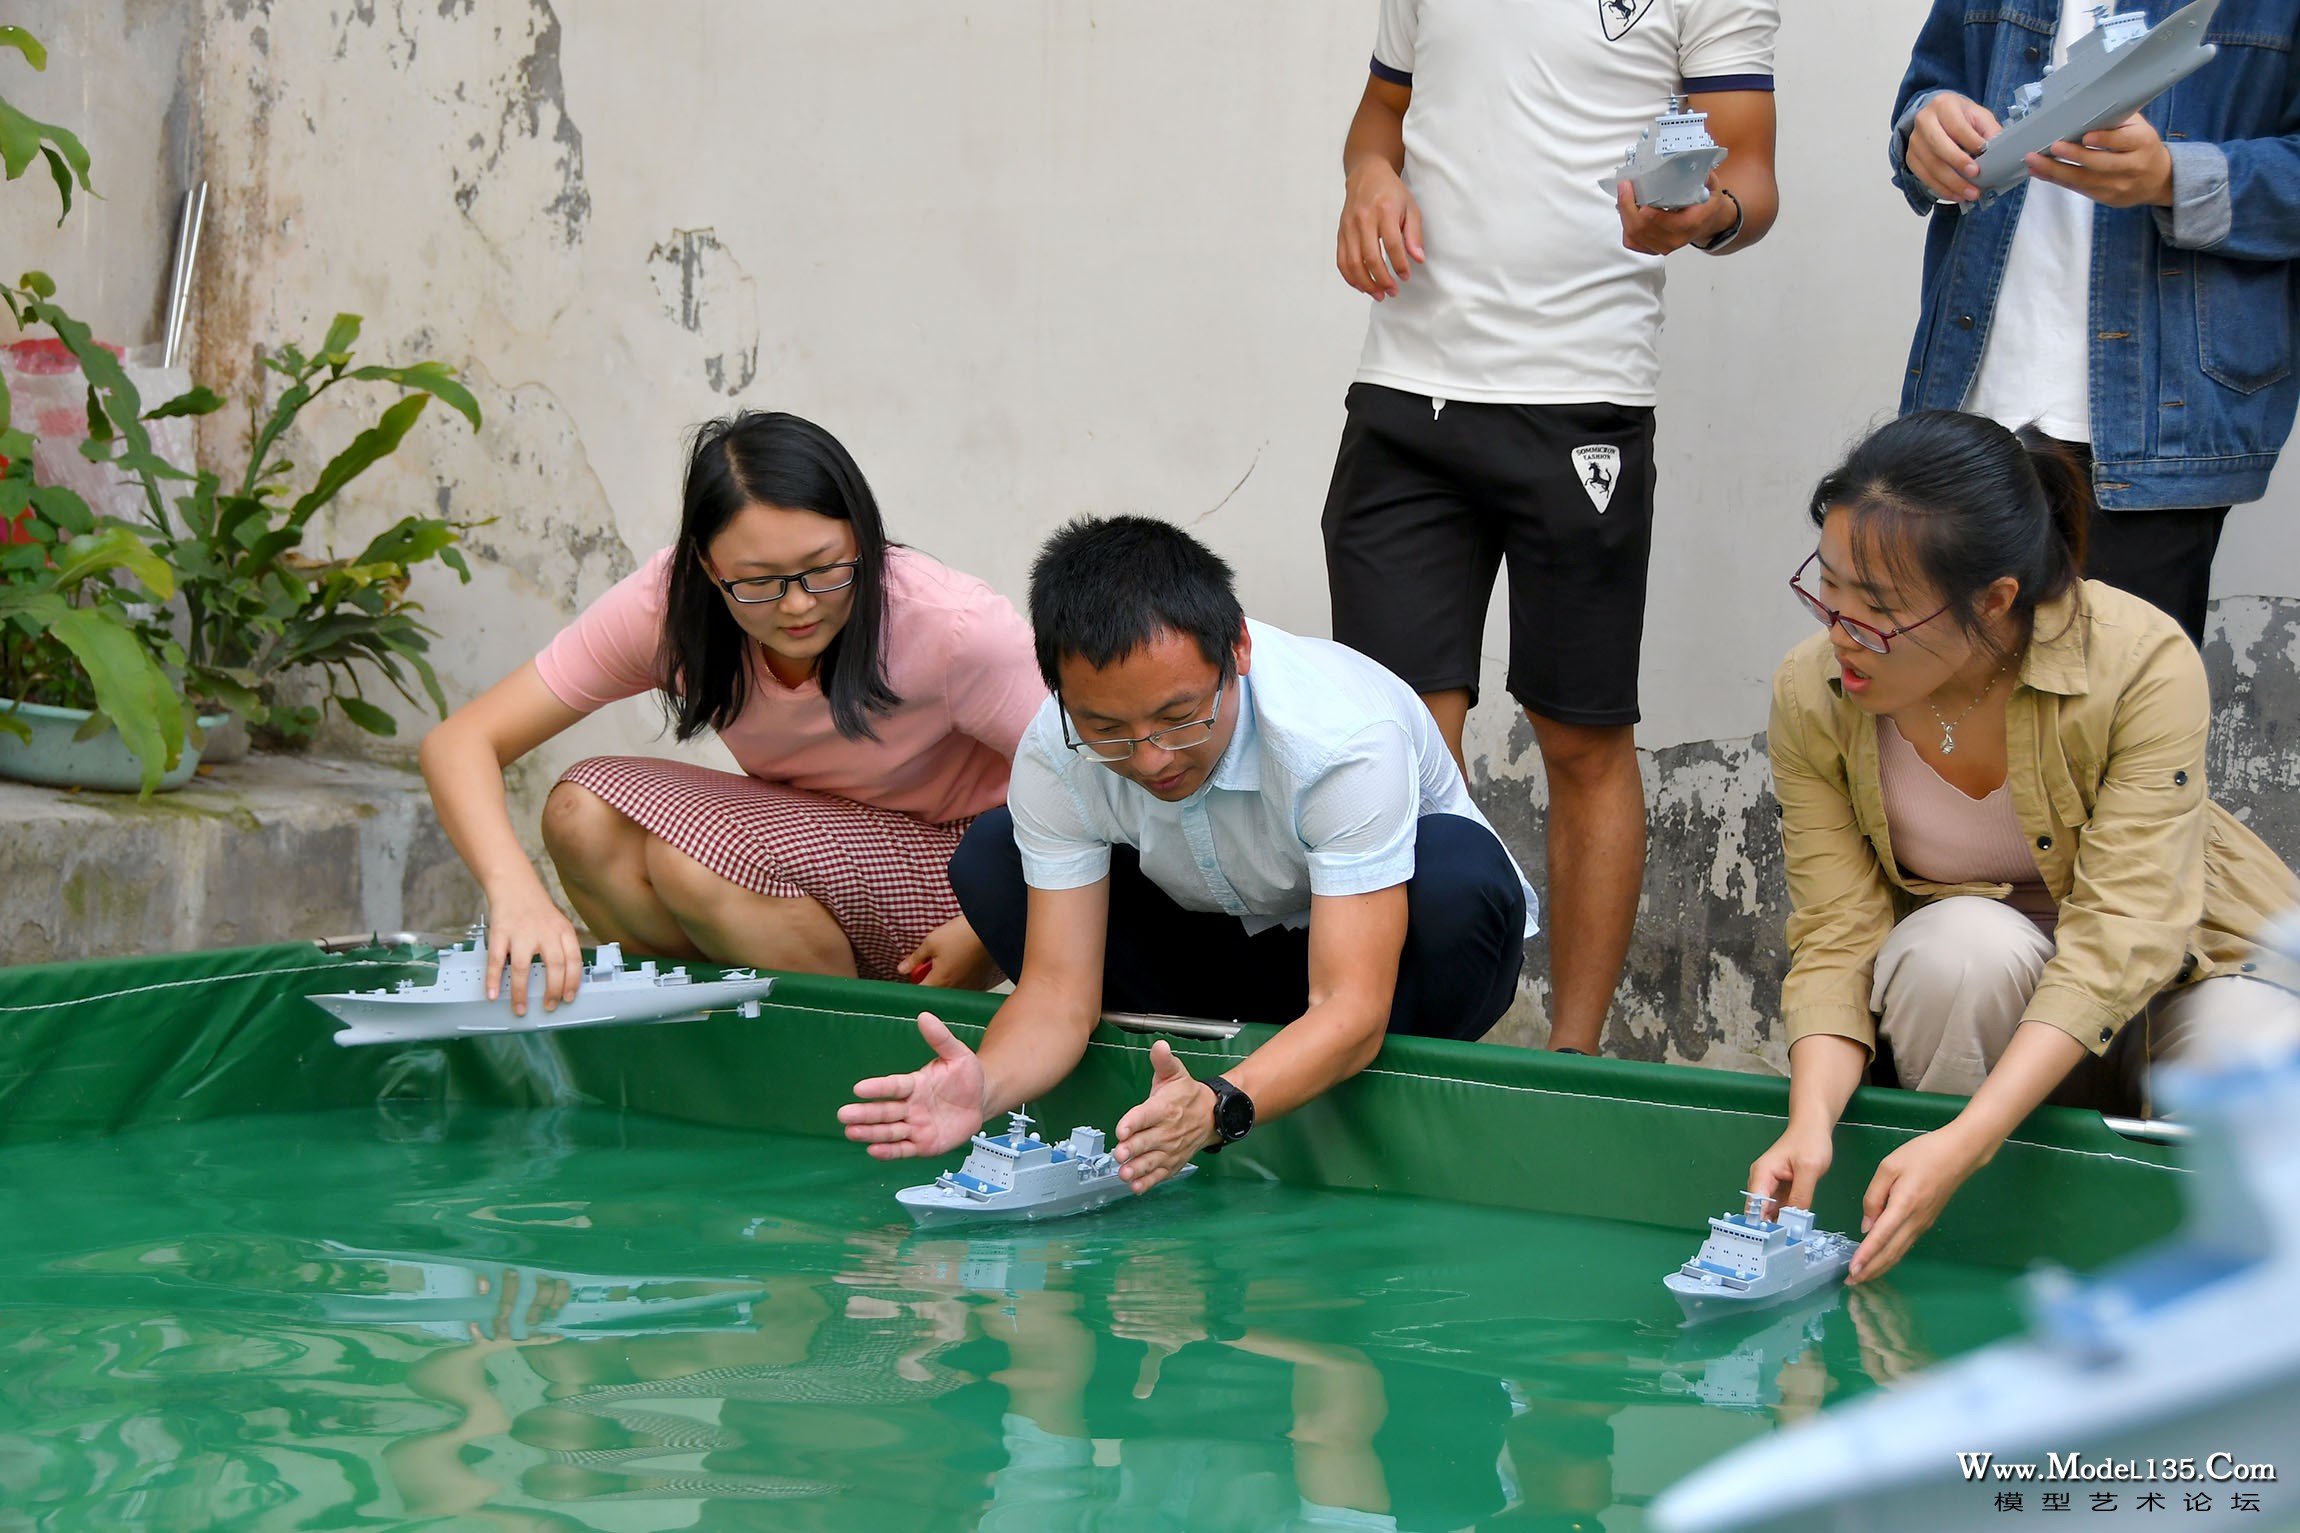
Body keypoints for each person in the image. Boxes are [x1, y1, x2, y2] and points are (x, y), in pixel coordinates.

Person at [1321, 0, 1781, 1056]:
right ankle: (1414, 1047)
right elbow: (1377, 113)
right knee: (1400, 750)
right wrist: (1367, 176)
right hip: (1403, 396)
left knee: (1579, 737)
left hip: (1582, 401)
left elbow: (1749, 178)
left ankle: (1573, 1060)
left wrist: (1697, 217)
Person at [1752, 411, 2298, 1282]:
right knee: (1953, 949)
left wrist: (1964, 1139)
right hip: (1996, 1018)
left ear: (1996, 599)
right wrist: (1808, 1122)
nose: (1843, 630)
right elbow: (1836, 934)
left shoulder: (2141, 662)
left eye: (1881, 610)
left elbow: (2124, 938)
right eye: (1830, 586)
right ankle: (1975, 1254)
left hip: (2178, 988)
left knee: (2254, 1039)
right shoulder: (1812, 691)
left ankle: (2207, 1303)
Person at [838, 516, 1536, 1192]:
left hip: (1378, 961)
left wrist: (1219, 1105)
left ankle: (1315, 1091)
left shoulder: (1341, 738)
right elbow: (1056, 993)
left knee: (1459, 875)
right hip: (1222, 948)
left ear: (1237, 650)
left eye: (1179, 717)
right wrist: (983, 1085)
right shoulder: (1055, 752)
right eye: (1107, 728)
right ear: (1059, 692)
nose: (1150, 758)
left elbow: (1350, 1002)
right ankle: (1187, 1078)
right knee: (994, 856)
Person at [418, 410, 1044, 1009]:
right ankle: (722, 1029)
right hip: (809, 851)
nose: (797, 605)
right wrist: (515, 892)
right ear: (705, 565)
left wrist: (991, 923)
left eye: (824, 569)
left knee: (695, 856)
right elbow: (461, 743)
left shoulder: (953, 627)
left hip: (967, 873)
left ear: (861, 535)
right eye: (758, 581)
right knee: (581, 812)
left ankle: (847, 1050)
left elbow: (1097, 788)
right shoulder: (667, 608)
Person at [1888, 0, 2300, 647]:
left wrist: (2173, 177)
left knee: (2115, 737)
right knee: (1944, 731)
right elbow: (1927, 90)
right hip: (1967, 397)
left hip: (2155, 432)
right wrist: (1926, 129)